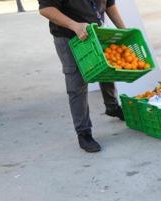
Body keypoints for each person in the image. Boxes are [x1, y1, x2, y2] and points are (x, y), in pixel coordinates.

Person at [38, 0, 127, 153]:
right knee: (76, 83)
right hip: (69, 36)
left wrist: (124, 31)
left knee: (105, 69)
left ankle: (112, 106)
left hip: (95, 32)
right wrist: (75, 25)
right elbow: (46, 9)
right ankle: (83, 132)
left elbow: (109, 5)